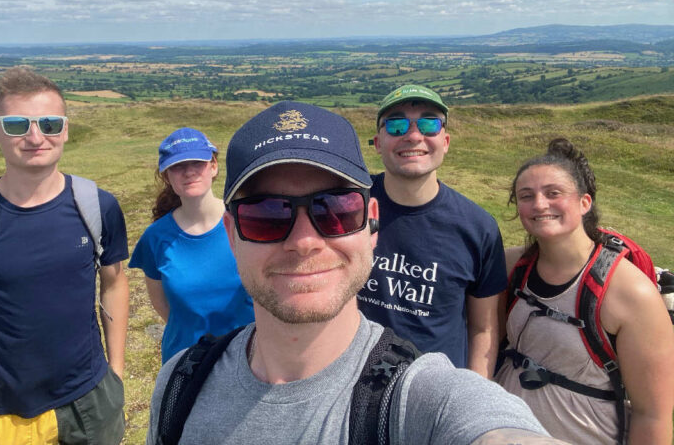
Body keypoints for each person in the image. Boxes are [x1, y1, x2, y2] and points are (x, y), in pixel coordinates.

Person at [145, 100, 568, 445]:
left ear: (371, 225)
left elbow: (489, 424)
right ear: (232, 235)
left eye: (336, 210)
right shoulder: (181, 382)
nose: (304, 241)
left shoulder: (425, 399)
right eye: (266, 214)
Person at [0, 66, 129, 445]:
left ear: (64, 129)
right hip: (4, 415)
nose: (36, 137)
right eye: (17, 124)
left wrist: (115, 372)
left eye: (49, 123)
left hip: (93, 402)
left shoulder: (98, 207)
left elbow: (114, 284)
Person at [495, 138, 674, 445]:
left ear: (584, 203)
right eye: (526, 196)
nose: (539, 204)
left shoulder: (630, 293)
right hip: (505, 432)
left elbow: (652, 416)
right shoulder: (511, 265)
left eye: (554, 193)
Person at [358, 84, 506, 377]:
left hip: (433, 393)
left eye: (429, 123)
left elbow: (484, 329)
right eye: (396, 124)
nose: (413, 136)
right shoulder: (348, 206)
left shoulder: (478, 228)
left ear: (446, 141)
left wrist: (472, 395)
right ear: (377, 142)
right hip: (349, 381)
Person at [129, 127, 254, 363]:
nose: (189, 172)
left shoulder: (246, 222)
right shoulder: (155, 237)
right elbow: (163, 306)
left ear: (214, 166)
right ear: (166, 176)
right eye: (177, 166)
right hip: (185, 362)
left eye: (198, 162)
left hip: (248, 359)